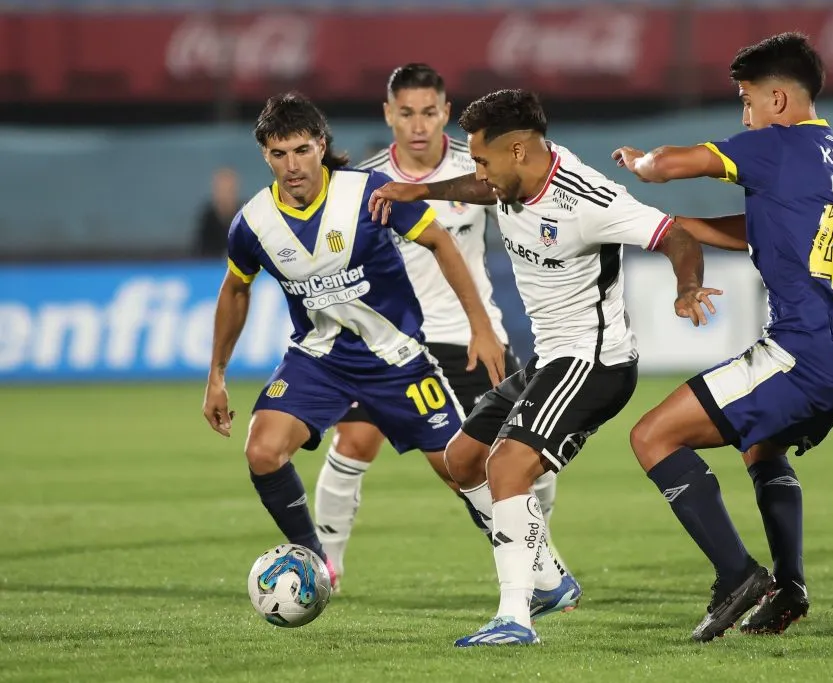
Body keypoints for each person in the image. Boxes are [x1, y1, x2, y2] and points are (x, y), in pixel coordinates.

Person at [368, 88, 714, 646]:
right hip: (548, 358)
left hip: (593, 360)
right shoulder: (509, 179)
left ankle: (515, 616)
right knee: (463, 460)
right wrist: (423, 189)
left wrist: (688, 288)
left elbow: (673, 234)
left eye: (482, 158)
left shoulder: (588, 198)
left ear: (520, 151)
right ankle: (549, 581)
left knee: (507, 467)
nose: (476, 170)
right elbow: (481, 186)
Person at [613, 32, 833, 640]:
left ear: (777, 101)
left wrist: (643, 164)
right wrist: (682, 229)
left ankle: (738, 576)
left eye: (746, 101)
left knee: (652, 436)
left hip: (799, 355)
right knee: (762, 448)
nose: (743, 115)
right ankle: (789, 587)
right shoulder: (831, 154)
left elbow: (680, 163)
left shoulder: (777, 143)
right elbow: (759, 227)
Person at [200, 92, 506, 589]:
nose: (292, 165)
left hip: (396, 358)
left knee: (462, 470)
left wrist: (480, 327)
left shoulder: (368, 193)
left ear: (321, 144)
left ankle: (541, 572)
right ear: (265, 156)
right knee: (262, 450)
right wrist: (216, 375)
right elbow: (236, 288)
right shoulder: (253, 223)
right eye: (279, 154)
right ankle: (316, 563)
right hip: (319, 359)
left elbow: (440, 241)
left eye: (301, 150)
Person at [312, 63, 562, 591]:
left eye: (429, 112)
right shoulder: (368, 181)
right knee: (355, 441)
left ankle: (541, 559)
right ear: (389, 115)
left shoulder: (480, 166)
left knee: (527, 454)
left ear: (446, 113)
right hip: (392, 341)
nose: (419, 124)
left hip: (471, 338)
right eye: (407, 113)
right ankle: (326, 565)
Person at [194, 167, 241, 258]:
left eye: (229, 190)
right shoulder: (207, 219)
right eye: (222, 190)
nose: (225, 195)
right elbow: (199, 252)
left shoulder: (247, 216)